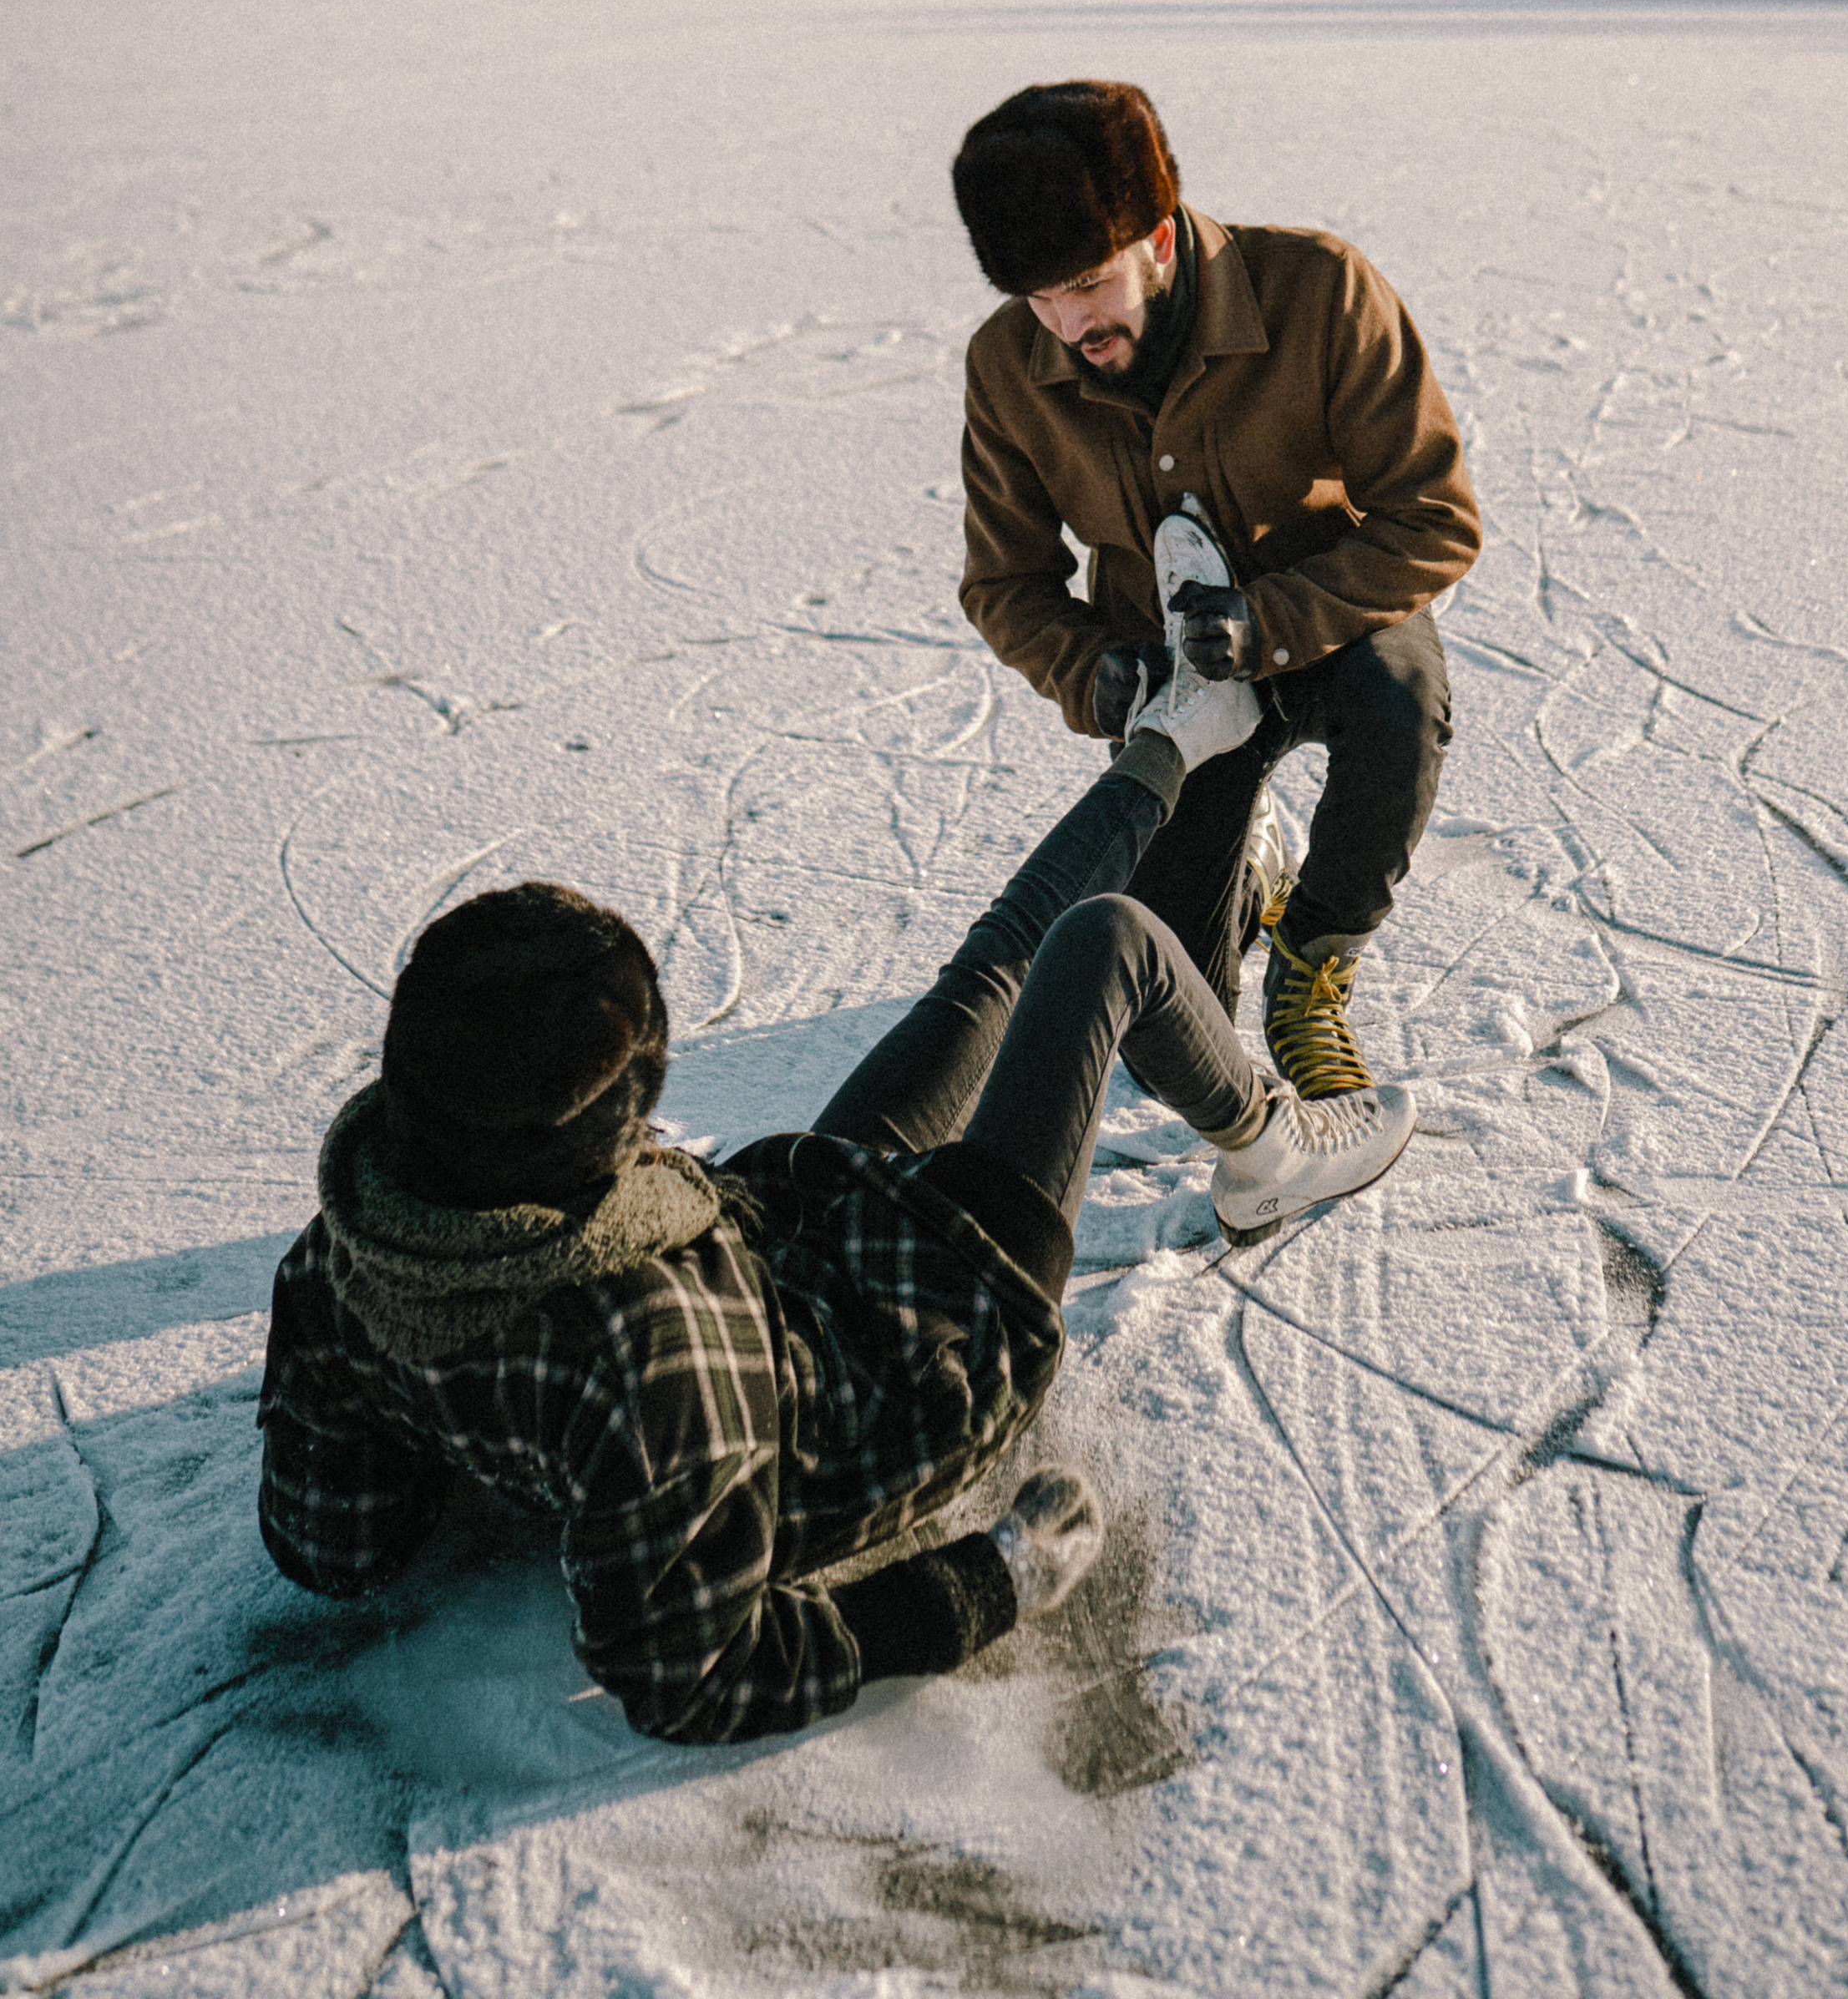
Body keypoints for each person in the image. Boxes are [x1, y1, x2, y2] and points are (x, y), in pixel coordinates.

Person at [256, 635, 1412, 1746]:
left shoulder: (349, 1253)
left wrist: (481, 1424)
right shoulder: (649, 1342)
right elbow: (693, 1674)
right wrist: (985, 1580)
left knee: (993, 967)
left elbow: (332, 1547)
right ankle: (1268, 1148)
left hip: (789, 1248)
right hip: (924, 1347)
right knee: (1102, 943)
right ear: (608, 1129)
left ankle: (1165, 747)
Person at [953, 77, 1481, 1109]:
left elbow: (1434, 517)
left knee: (1400, 704)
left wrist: (1270, 621)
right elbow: (1004, 580)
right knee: (1168, 1051)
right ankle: (1247, 876)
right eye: (1039, 298)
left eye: (1089, 284)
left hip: (1330, 628)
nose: (1068, 322)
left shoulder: (1319, 290)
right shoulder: (1008, 364)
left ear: (1156, 237)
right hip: (1171, 683)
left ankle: (1313, 955)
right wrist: (1092, 673)